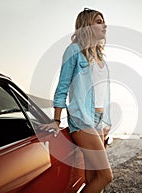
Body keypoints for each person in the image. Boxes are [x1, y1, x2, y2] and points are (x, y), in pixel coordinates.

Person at [41, 8, 113, 193]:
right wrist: (56, 120)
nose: (104, 25)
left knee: (92, 176)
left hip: (99, 121)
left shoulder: (99, 56)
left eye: (103, 21)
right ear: (87, 25)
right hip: (82, 120)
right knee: (106, 176)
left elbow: (103, 92)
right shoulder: (74, 51)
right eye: (98, 21)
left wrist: (106, 121)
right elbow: (62, 87)